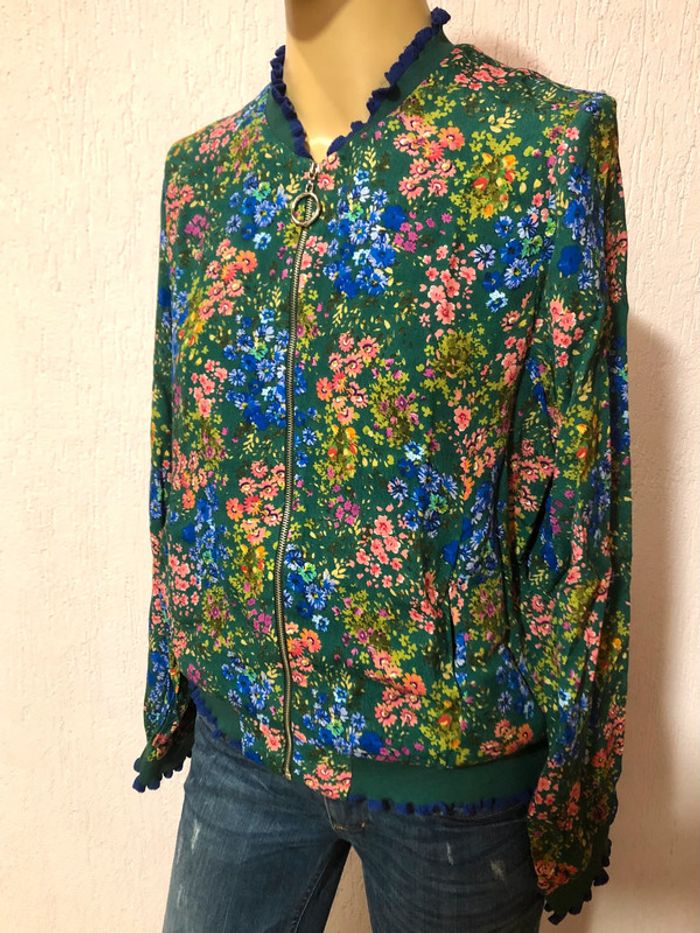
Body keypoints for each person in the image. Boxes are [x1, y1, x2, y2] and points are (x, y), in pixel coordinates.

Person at [133, 3, 632, 930]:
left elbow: (581, 496)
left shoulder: (540, 147)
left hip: (456, 775)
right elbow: (178, 457)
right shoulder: (203, 175)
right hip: (242, 741)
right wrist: (174, 666)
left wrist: (575, 772)